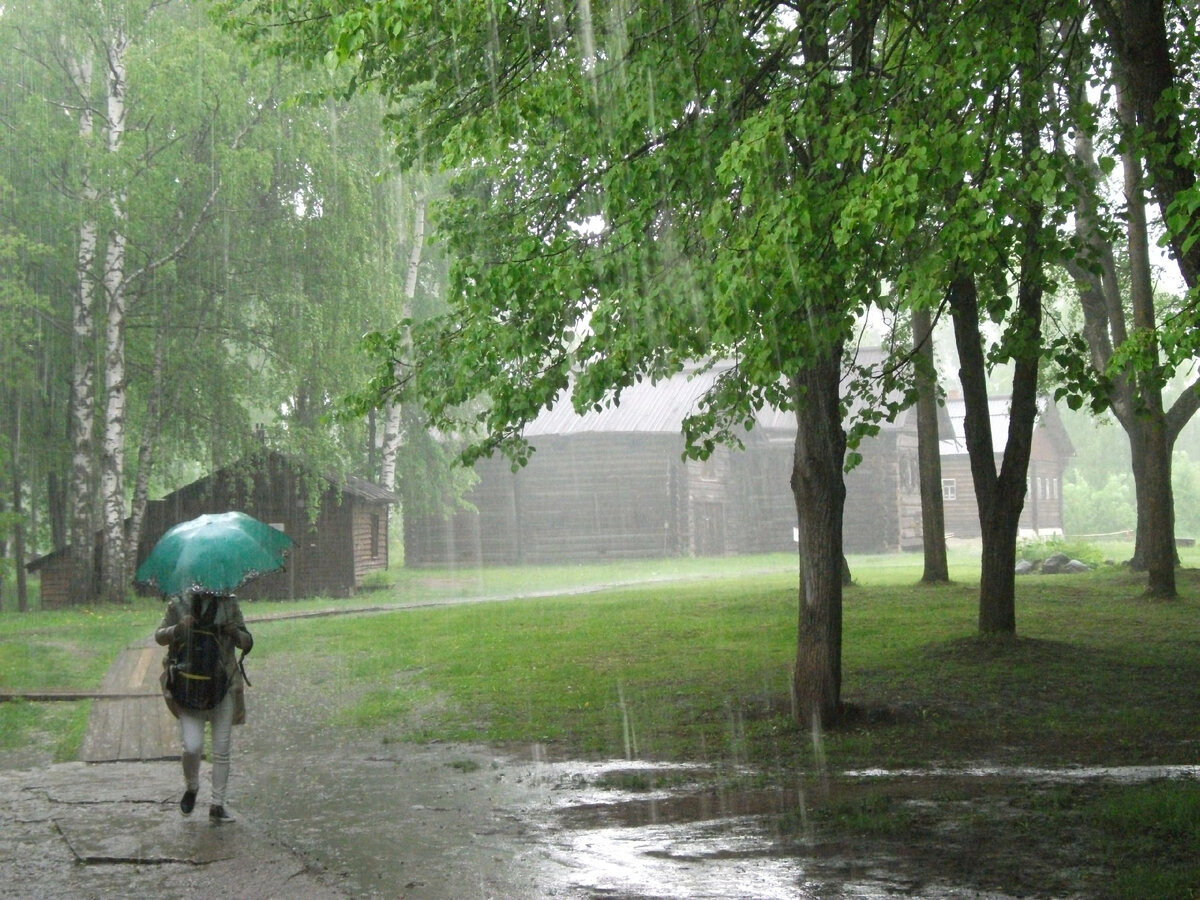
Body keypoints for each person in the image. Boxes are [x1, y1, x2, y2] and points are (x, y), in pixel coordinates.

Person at [155, 590, 253, 823]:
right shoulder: (178, 602)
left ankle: (217, 805)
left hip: (223, 683)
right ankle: (192, 786)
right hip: (187, 684)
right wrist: (178, 628)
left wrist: (234, 632)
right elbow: (159, 636)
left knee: (222, 749)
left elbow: (247, 641)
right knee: (192, 746)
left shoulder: (230, 604)